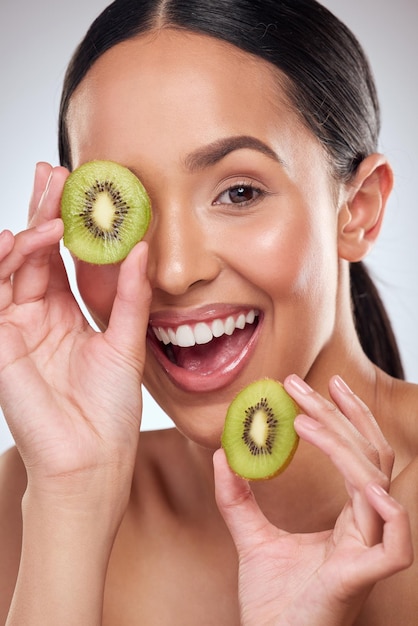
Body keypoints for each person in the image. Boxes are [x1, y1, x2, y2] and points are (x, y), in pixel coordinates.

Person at [0, 0, 416, 623]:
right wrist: (72, 499)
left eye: (239, 192)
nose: (172, 269)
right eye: (128, 205)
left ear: (357, 211)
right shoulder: (36, 497)